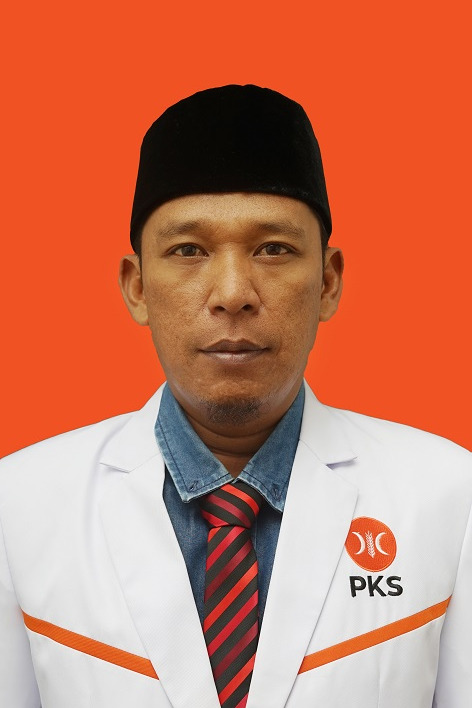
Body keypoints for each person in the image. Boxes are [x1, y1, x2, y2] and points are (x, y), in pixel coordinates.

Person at [0, 85, 470, 708]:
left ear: (328, 283)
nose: (232, 294)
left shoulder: (450, 496)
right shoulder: (19, 505)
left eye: (273, 249)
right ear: (137, 287)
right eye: (188, 250)